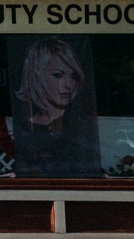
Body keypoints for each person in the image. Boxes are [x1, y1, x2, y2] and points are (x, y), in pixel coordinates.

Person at [12, 36, 101, 177]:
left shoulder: (82, 125)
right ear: (37, 76)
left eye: (73, 76)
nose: (67, 85)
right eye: (58, 75)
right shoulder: (22, 126)